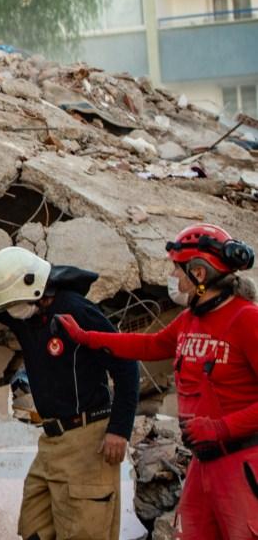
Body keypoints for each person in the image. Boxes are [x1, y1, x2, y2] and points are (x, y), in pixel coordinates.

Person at [0, 243, 138, 539]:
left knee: (85, 530)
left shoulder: (76, 311)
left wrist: (120, 429)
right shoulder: (25, 314)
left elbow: (126, 363)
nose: (10, 313)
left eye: (13, 305)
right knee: (34, 528)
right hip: (52, 441)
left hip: (89, 440)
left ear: (35, 287)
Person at [57, 224, 258, 540]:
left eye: (178, 271)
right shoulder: (191, 319)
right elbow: (148, 346)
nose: (174, 280)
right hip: (202, 464)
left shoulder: (246, 319)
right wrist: (87, 338)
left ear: (199, 275)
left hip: (240, 465)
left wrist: (222, 428)